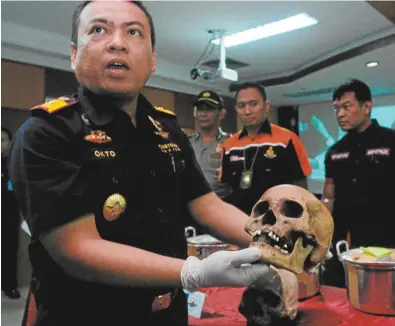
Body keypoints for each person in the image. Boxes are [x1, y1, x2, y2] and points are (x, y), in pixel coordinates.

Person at [8, 2, 271, 325]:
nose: (117, 42)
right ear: (74, 54)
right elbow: (78, 249)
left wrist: (273, 241)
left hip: (169, 313)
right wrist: (195, 271)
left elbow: (206, 205)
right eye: (99, 30)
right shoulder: (47, 133)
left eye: (134, 32)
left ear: (153, 59)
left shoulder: (167, 128)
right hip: (87, 316)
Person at [322, 79, 395, 287]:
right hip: (343, 239)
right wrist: (322, 234)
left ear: (366, 107)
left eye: (346, 107)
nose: (340, 114)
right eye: (336, 108)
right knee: (340, 291)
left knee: (382, 294)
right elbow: (329, 196)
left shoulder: (390, 142)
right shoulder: (335, 151)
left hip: (386, 237)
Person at [219, 82, 312, 215]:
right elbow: (226, 188)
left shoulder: (288, 139)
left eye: (253, 104)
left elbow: (301, 187)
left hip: (278, 223)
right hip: (239, 223)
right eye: (241, 106)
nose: (247, 111)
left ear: (267, 106)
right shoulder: (228, 146)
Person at [186, 90, 232, 234]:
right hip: (190, 213)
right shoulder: (186, 142)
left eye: (209, 109)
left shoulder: (231, 143)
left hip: (220, 212)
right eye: (200, 109)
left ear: (221, 114)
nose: (203, 114)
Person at [1, 127, 21, 299]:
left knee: (9, 250)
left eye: (2, 140)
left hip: (8, 214)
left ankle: (9, 285)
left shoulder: (15, 163)